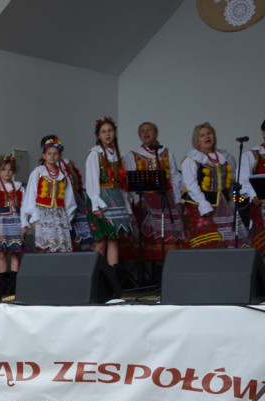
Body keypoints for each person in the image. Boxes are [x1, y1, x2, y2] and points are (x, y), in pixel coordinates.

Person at [123, 121, 187, 262]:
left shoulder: (166, 152)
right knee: (151, 237)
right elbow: (130, 182)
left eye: (149, 130)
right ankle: (153, 272)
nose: (146, 133)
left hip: (166, 200)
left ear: (156, 133)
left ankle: (167, 267)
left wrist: (178, 200)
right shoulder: (133, 155)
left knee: (169, 234)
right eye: (142, 131)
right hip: (146, 201)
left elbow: (175, 177)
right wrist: (139, 201)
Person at [180, 122, 249, 248]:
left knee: (231, 239)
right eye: (202, 135)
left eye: (209, 133)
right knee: (209, 240)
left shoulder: (223, 157)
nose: (207, 137)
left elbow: (231, 181)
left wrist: (235, 199)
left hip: (223, 205)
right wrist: (203, 203)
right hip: (199, 205)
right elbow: (191, 185)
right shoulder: (191, 159)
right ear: (197, 141)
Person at [85, 116, 135, 282]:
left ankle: (113, 280)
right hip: (101, 200)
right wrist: (96, 205)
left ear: (115, 133)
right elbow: (92, 181)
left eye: (110, 131)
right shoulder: (95, 154)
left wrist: (127, 206)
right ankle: (96, 279)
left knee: (114, 240)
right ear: (98, 135)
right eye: (103, 132)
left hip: (116, 199)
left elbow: (122, 184)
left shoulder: (117, 155)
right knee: (100, 242)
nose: (107, 134)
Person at [22, 136, 76, 253]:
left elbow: (69, 200)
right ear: (44, 155)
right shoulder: (38, 173)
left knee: (60, 247)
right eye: (49, 153)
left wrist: (67, 219)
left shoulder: (63, 176)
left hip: (59, 216)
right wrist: (35, 218)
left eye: (55, 153)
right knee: (46, 247)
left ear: (60, 156)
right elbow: (31, 196)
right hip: (43, 215)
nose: (52, 156)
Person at [42, 134, 94, 251]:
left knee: (84, 233)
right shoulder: (42, 169)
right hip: (57, 204)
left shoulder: (68, 163)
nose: (53, 153)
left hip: (75, 201)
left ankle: (85, 263)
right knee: (65, 237)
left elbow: (76, 182)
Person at [0, 153, 28, 296]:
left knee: (15, 254)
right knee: (3, 254)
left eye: (10, 169)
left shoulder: (19, 188)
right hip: (3, 224)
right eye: (4, 169)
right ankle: (4, 286)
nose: (7, 172)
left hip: (16, 223)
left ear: (14, 171)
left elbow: (24, 207)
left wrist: (24, 224)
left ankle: (14, 286)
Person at [238, 118, 265, 254]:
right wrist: (255, 195)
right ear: (264, 133)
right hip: (260, 209)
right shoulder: (252, 155)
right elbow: (242, 180)